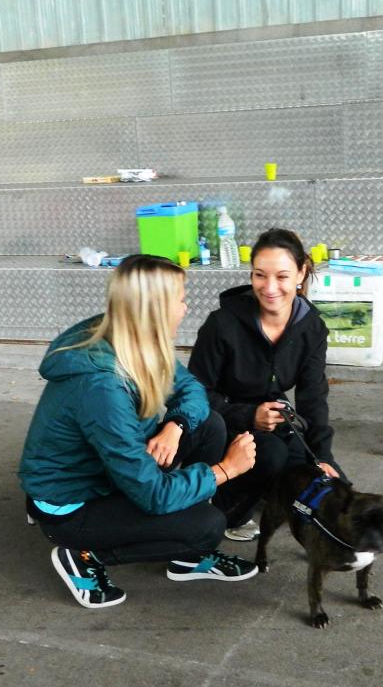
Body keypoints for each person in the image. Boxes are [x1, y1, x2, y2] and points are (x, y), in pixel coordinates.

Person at [18, 254, 259, 609]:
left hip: (109, 474)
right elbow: (153, 495)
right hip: (72, 507)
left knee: (207, 426)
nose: (185, 307)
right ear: (155, 310)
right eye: (180, 299)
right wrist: (226, 470)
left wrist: (175, 426)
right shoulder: (102, 387)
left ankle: (188, 558)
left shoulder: (133, 336)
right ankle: (84, 555)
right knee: (206, 525)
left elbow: (191, 389)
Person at [189, 229, 340, 539]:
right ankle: (225, 513)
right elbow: (195, 392)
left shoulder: (311, 327)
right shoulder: (222, 324)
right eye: (260, 275)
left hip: (274, 419)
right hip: (220, 421)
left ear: (301, 273)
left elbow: (313, 397)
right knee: (270, 454)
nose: (270, 288)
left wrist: (322, 457)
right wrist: (247, 415)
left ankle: (306, 526)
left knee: (323, 481)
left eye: (282, 277)